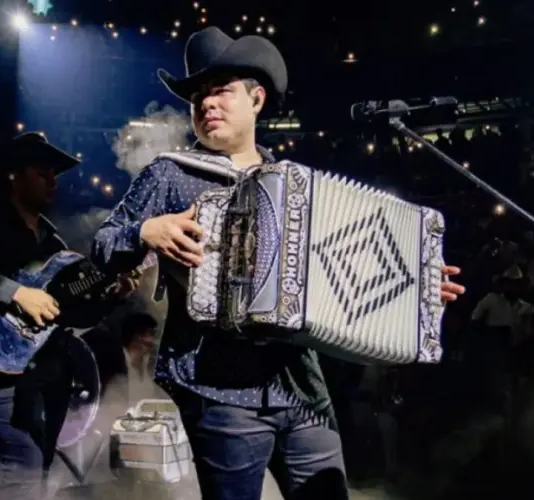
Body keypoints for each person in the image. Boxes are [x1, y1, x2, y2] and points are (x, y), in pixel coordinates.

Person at [92, 27, 465, 500]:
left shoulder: (298, 190)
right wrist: (144, 232)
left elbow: (348, 264)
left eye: (221, 91)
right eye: (198, 97)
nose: (207, 104)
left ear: (257, 100)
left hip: (302, 389)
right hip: (218, 393)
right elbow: (103, 246)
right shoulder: (169, 174)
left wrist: (415, 293)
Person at [0, 132, 134, 499]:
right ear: (13, 175)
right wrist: (16, 293)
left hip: (50, 372)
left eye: (54, 174)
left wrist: (112, 295)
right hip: (2, 366)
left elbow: (73, 314)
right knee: (24, 470)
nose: (52, 180)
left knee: (39, 468)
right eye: (41, 171)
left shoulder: (52, 241)